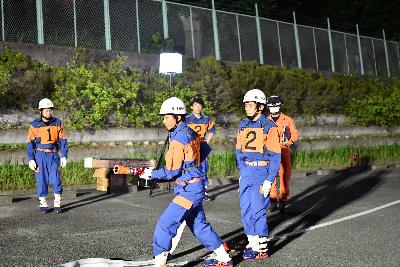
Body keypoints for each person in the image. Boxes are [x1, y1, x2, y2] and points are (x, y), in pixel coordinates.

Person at [151, 97, 233, 267]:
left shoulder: (178, 139)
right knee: (199, 226)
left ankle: (159, 263)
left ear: (178, 117)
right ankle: (225, 259)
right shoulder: (190, 132)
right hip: (195, 186)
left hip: (188, 190)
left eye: (166, 117)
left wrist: (151, 174)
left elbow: (171, 171)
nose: (164, 120)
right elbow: (204, 149)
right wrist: (190, 167)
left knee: (165, 225)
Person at [235, 89, 281, 260]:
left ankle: (262, 247)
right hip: (246, 172)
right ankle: (252, 242)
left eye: (250, 104)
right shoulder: (243, 125)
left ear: (260, 107)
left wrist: (270, 180)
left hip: (262, 172)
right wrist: (241, 172)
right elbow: (238, 151)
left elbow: (276, 156)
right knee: (245, 209)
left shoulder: (270, 127)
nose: (246, 107)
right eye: (245, 104)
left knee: (258, 209)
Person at [26, 98, 68, 214]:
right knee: (41, 180)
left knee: (55, 179)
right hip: (40, 155)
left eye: (50, 110)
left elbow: (63, 140)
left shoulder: (57, 122)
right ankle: (43, 203)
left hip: (53, 154)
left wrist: (64, 155)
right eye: (46, 110)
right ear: (41, 111)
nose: (48, 112)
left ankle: (57, 203)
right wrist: (31, 159)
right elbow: (30, 143)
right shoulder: (35, 125)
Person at [267, 96, 300, 213]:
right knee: (270, 177)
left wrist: (290, 141)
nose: (273, 107)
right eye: (271, 105)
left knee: (284, 176)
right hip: (270, 151)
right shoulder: (265, 121)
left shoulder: (288, 120)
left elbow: (295, 134)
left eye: (275, 105)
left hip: (283, 150)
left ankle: (283, 200)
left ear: (280, 105)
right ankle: (272, 200)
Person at [186, 95, 216, 201]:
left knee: (203, 169)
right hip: (190, 148)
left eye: (199, 105)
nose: (198, 107)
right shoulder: (187, 119)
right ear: (191, 107)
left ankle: (204, 191)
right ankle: (190, 190)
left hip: (202, 147)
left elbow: (212, 131)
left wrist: (206, 142)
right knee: (189, 168)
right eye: (195, 105)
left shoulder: (206, 119)